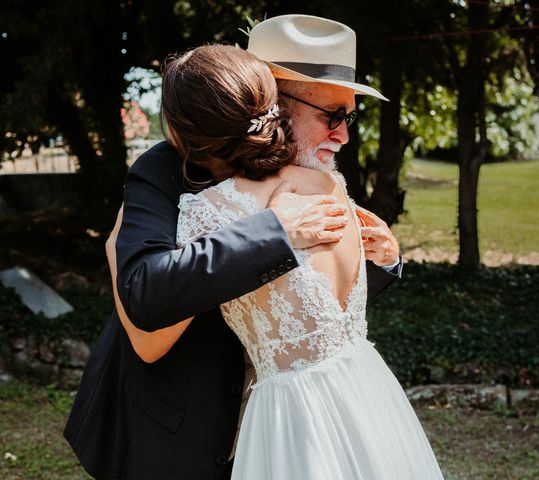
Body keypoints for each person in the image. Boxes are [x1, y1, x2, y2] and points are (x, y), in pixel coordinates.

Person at [63, 15, 404, 480]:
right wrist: (272, 232)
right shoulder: (166, 167)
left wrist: (380, 261)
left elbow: (309, 307)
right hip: (174, 425)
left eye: (350, 116)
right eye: (332, 116)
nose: (343, 134)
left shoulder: (318, 179)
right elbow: (146, 293)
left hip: (290, 423)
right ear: (277, 104)